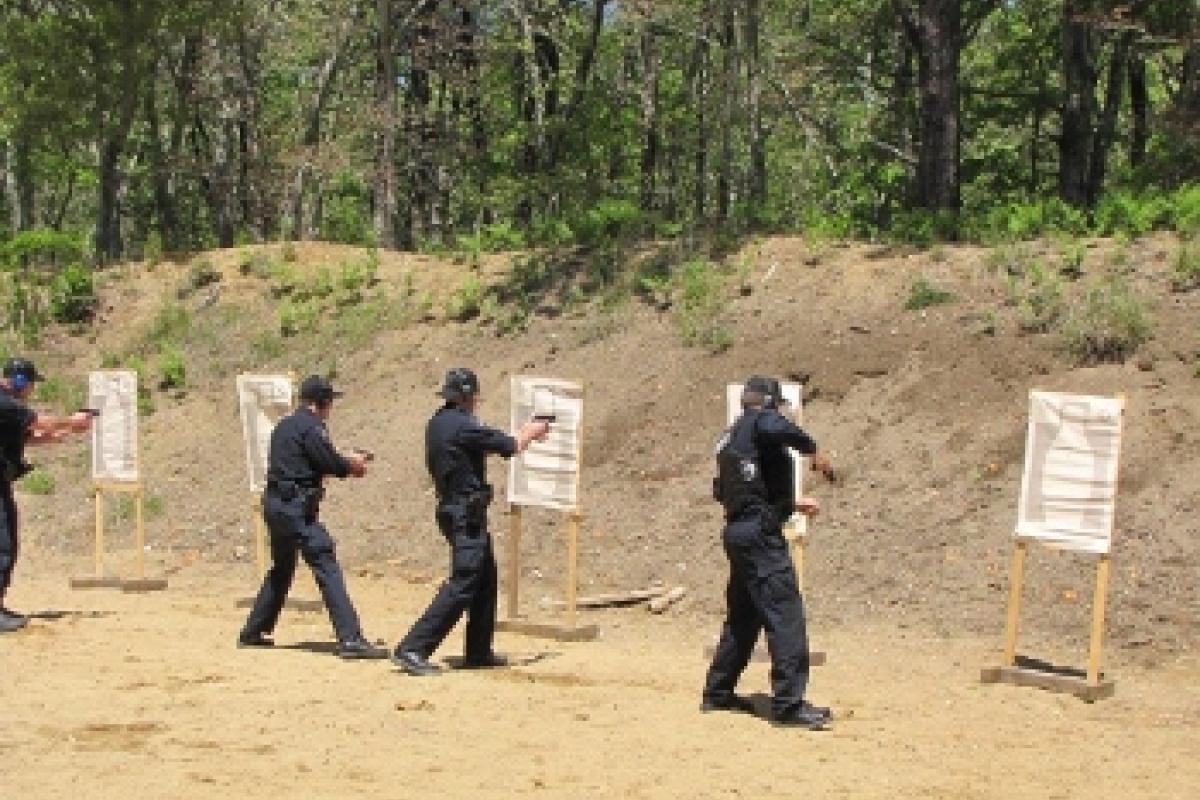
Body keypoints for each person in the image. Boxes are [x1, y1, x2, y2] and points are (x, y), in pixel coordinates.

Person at [392, 368, 549, 676]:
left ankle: (478, 650)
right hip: (464, 514)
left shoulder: (440, 423)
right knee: (464, 580)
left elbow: (476, 447)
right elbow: (510, 445)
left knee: (485, 578)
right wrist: (530, 433)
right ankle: (413, 647)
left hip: (459, 511)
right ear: (467, 397)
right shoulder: (464, 425)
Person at [701, 375, 836, 729]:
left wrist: (790, 504)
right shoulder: (760, 422)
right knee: (785, 612)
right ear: (769, 403)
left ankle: (718, 692)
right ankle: (790, 704)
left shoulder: (729, 438)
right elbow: (776, 427)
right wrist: (813, 450)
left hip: (739, 531)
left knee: (744, 617)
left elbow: (730, 490)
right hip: (759, 537)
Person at [237, 375, 384, 659]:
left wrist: (343, 458)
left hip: (275, 505)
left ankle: (253, 630)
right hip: (295, 510)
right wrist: (352, 465)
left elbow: (307, 461)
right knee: (325, 562)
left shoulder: (285, 426)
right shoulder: (313, 428)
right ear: (322, 403)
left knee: (282, 568)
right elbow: (328, 463)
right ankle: (350, 638)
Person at [1, 358, 93, 633]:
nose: (31, 390)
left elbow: (27, 436)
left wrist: (58, 435)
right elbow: (42, 421)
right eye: (29, 384)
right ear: (19, 381)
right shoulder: (7, 403)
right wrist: (71, 422)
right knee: (3, 545)